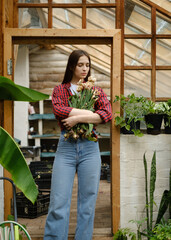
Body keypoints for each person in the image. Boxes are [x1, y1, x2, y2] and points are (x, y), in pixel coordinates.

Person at [44, 49, 112, 240]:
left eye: (87, 65)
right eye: (80, 65)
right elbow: (59, 110)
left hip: (90, 147)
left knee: (88, 202)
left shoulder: (96, 91)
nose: (84, 69)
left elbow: (106, 114)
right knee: (58, 201)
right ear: (72, 66)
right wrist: (90, 115)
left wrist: (76, 119)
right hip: (66, 147)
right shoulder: (60, 90)